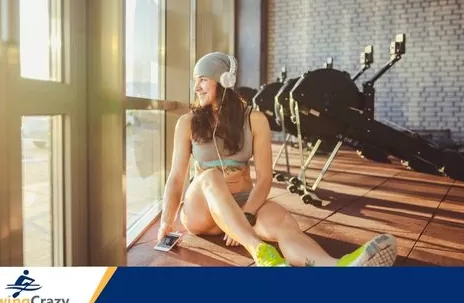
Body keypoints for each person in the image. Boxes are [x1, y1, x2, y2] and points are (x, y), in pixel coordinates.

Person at [157, 51, 398, 267]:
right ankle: (260, 253)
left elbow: (264, 178)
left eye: (203, 79)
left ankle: (335, 267)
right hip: (202, 211)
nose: (196, 87)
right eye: (195, 80)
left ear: (224, 81)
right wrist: (166, 222)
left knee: (283, 222)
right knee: (211, 176)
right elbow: (177, 176)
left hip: (243, 204)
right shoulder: (187, 123)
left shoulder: (255, 120)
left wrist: (247, 213)